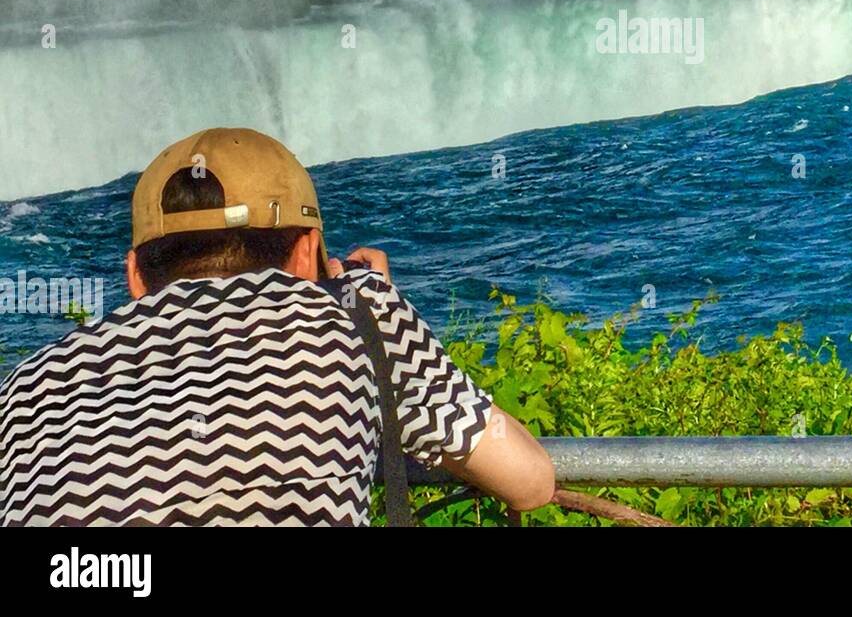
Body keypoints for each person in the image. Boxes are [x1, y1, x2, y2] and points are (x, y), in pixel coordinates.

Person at [0, 127, 554, 526]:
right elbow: (530, 482)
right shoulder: (356, 316)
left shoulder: (24, 388)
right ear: (306, 253)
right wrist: (377, 299)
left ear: (135, 276)